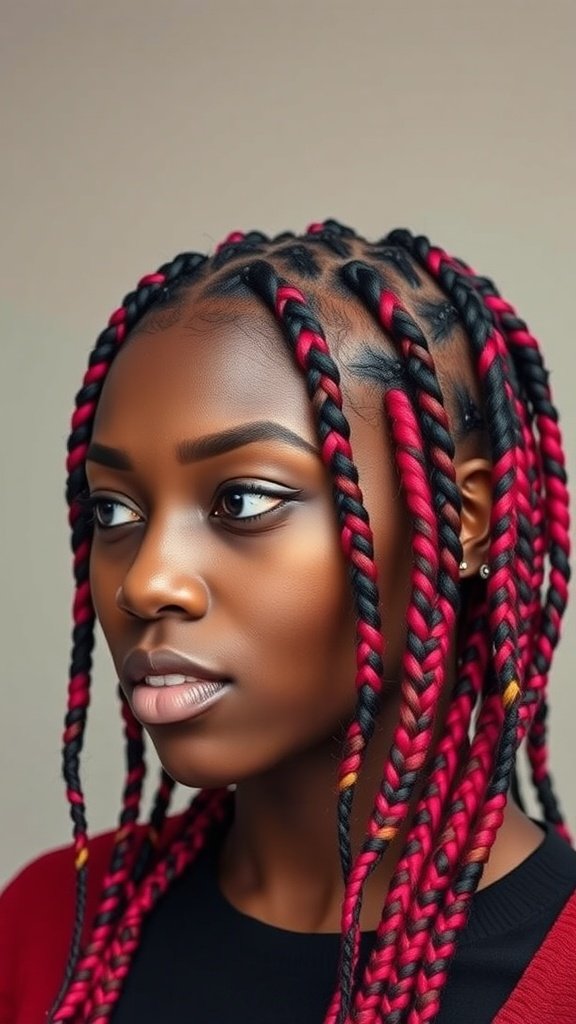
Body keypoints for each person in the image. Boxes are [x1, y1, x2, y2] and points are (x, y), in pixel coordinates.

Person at [1, 220, 575, 1024]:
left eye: (242, 500)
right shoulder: (44, 928)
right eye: (114, 508)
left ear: (461, 519)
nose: (147, 581)